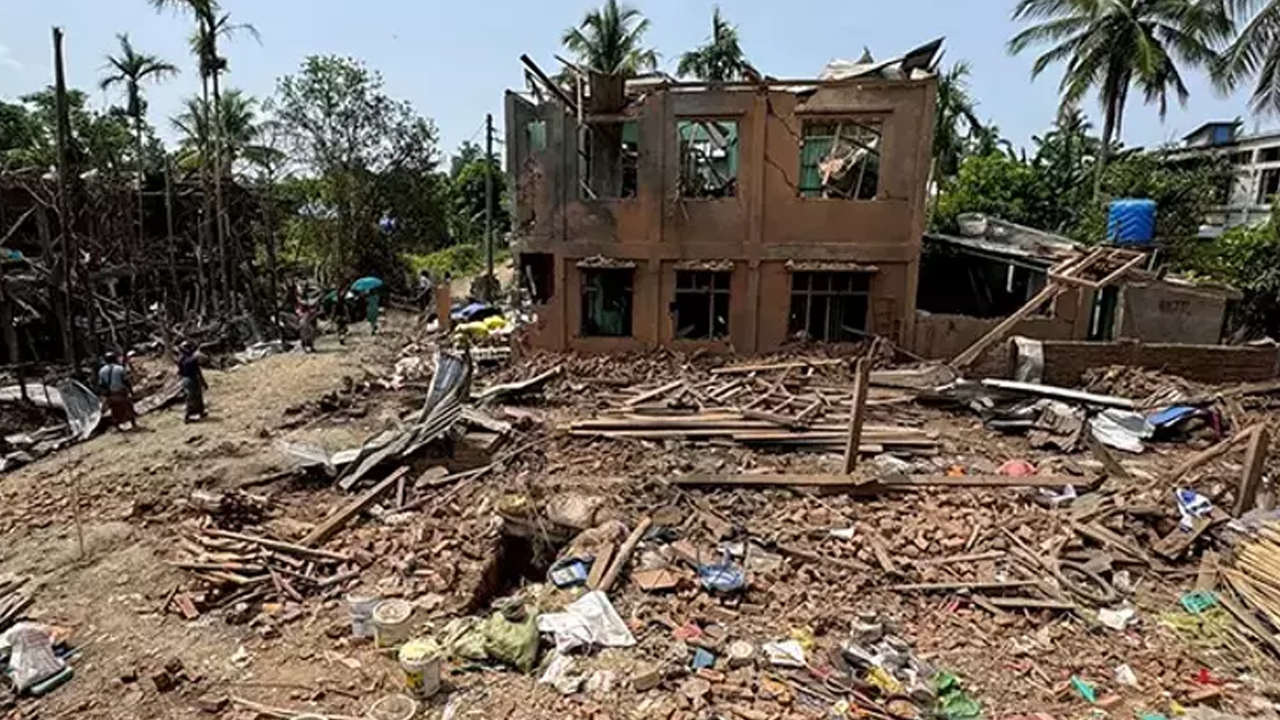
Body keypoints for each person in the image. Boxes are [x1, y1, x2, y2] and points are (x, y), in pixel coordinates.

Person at [97, 351, 137, 431]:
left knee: (114, 410)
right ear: (114, 359)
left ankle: (117, 427)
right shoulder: (120, 368)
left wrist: (105, 394)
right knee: (128, 407)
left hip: (111, 394)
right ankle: (133, 424)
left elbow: (101, 384)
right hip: (121, 392)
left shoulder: (101, 371)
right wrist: (131, 391)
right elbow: (126, 381)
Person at [177, 341, 208, 423]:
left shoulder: (180, 359)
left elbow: (180, 372)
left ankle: (200, 412)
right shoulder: (192, 359)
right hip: (192, 379)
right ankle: (187, 416)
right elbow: (198, 371)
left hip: (185, 379)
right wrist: (203, 382)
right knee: (193, 397)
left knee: (193, 397)